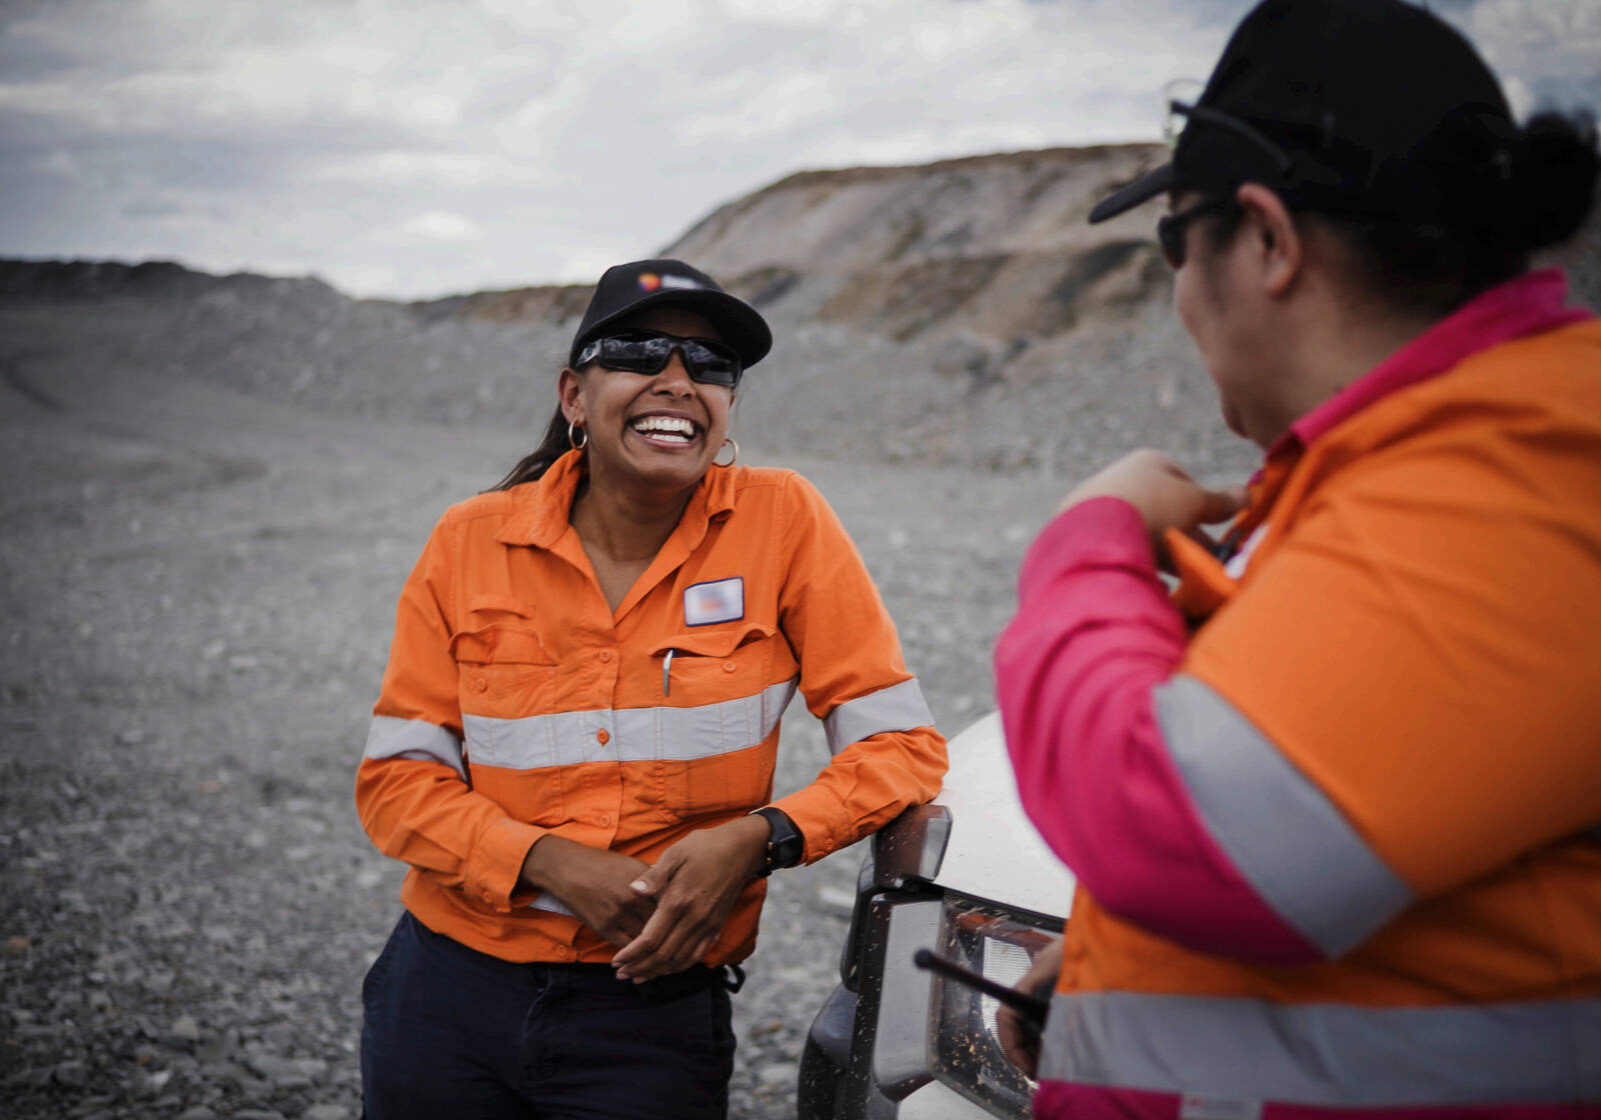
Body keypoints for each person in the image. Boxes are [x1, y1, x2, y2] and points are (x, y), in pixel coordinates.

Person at [991, 1, 1601, 1116]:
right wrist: (1112, 967)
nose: (1177, 292)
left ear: (1266, 241)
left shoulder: (1521, 464)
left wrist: (1087, 543)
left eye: (1177, 240)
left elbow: (1182, 832)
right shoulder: (1404, 466)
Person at [354, 258, 947, 1119]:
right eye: (639, 353)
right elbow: (396, 783)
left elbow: (901, 744)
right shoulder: (468, 540)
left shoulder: (783, 522)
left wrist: (762, 837)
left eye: (711, 367)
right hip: (446, 994)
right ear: (573, 395)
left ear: (728, 406)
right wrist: (550, 863)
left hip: (651, 1016)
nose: (678, 381)